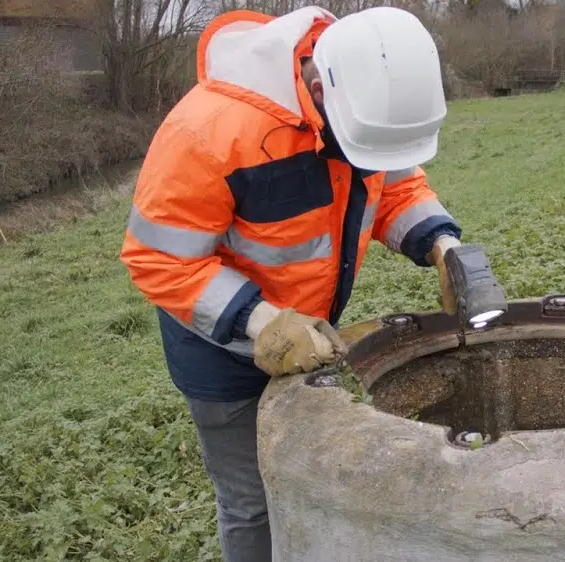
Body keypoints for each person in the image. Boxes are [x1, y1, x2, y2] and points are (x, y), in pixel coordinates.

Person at [119, 5, 474, 561]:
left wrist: (443, 247)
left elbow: (399, 191)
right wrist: (262, 322)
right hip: (222, 353)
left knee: (313, 476)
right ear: (318, 86)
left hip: (313, 337)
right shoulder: (207, 131)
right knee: (251, 501)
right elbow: (159, 259)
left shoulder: (367, 107)